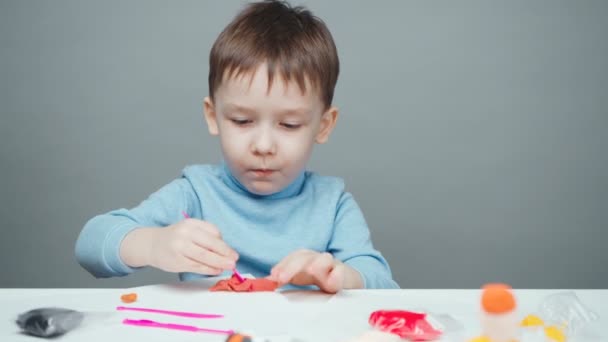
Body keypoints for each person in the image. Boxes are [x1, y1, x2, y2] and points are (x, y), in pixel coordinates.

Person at [75, 0, 399, 293]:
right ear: (213, 116)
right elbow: (90, 244)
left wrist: (340, 275)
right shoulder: (196, 193)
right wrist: (152, 244)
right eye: (243, 121)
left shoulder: (333, 204)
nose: (263, 145)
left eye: (289, 125)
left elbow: (383, 282)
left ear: (323, 126)